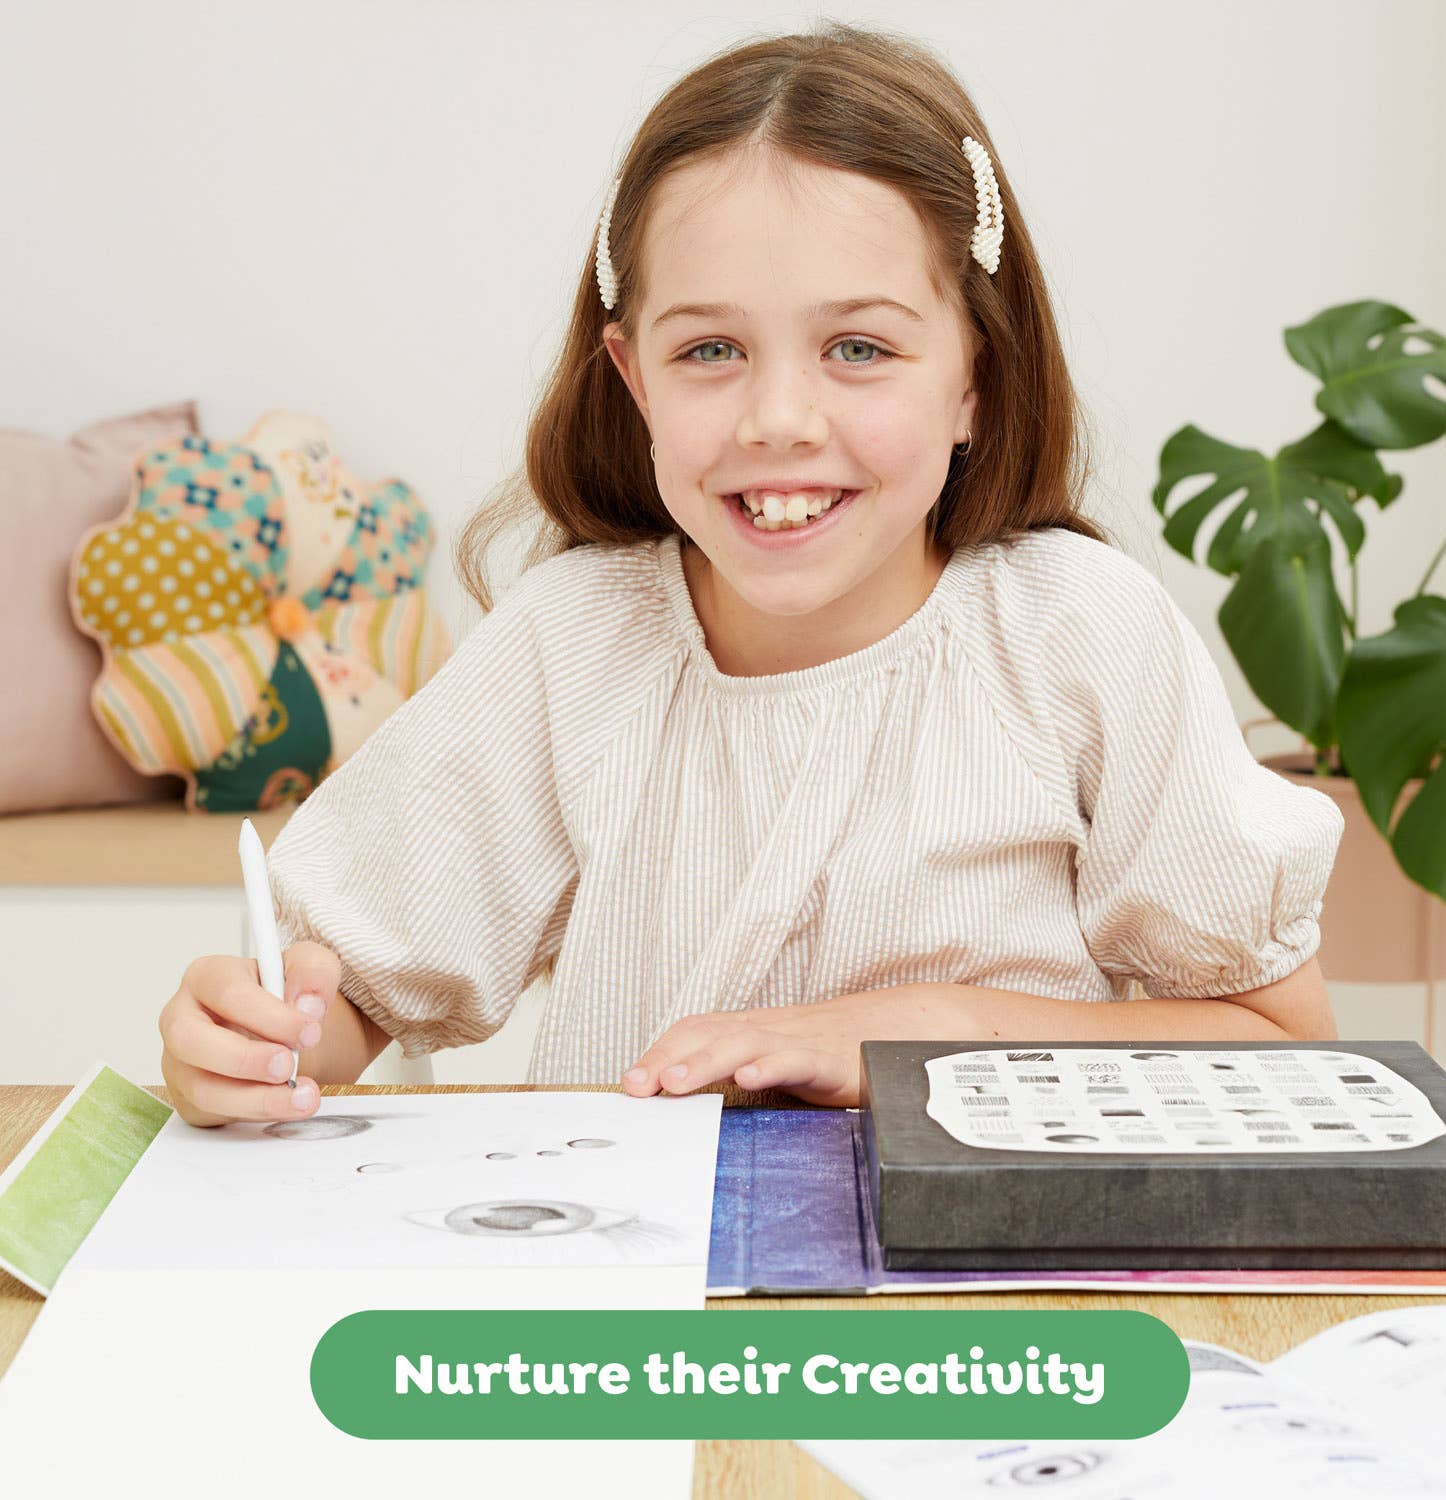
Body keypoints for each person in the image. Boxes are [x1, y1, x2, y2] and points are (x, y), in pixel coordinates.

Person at [158, 21, 1343, 1129]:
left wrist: (909, 1034)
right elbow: (351, 991)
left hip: (986, 1319)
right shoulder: (571, 643)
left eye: (860, 348)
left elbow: (1280, 1044)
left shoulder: (1084, 638)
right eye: (711, 351)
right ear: (633, 380)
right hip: (644, 1329)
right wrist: (261, 1042)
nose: (779, 419)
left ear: (974, 377)